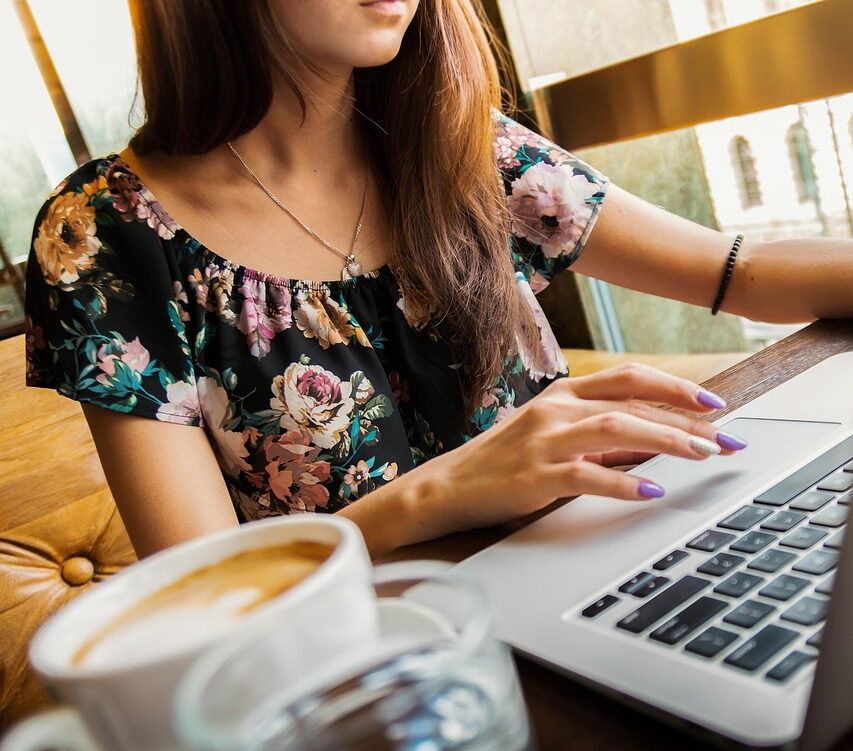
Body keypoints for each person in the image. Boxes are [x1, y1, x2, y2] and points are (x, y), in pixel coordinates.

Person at [24, 0, 853, 561]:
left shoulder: (459, 145)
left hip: (590, 566)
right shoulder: (106, 235)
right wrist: (442, 492)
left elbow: (735, 272)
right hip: (373, 682)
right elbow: (205, 594)